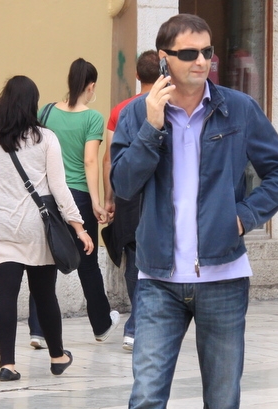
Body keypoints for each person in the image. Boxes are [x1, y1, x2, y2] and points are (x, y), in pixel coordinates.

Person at [96, 14, 278, 409]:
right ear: (164, 58)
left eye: (208, 52)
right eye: (190, 54)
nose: (202, 61)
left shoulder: (238, 109)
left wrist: (244, 216)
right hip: (159, 278)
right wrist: (151, 127)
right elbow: (123, 184)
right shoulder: (139, 113)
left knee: (222, 403)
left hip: (224, 277)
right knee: (146, 396)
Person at [0, 76, 93, 381]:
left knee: (5, 295)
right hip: (36, 228)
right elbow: (60, 189)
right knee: (45, 294)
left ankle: (7, 365)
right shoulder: (45, 138)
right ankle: (57, 356)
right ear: (32, 105)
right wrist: (79, 227)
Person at [27, 58, 119, 348]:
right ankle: (101, 325)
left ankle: (38, 330)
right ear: (91, 86)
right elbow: (90, 161)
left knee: (44, 262)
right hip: (78, 196)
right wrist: (97, 203)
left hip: (47, 196)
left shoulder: (46, 112)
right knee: (87, 264)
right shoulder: (93, 118)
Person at [101, 50, 160, 351]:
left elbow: (110, 159)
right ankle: (137, 325)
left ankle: (135, 326)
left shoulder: (121, 110)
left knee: (133, 258)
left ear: (137, 75)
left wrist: (109, 198)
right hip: (157, 194)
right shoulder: (170, 105)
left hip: (128, 195)